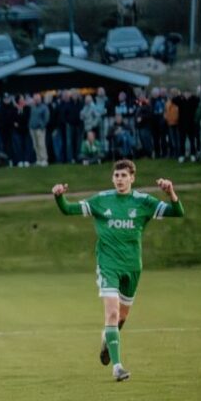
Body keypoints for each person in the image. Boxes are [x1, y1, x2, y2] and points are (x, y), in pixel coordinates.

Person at [51, 160, 184, 381]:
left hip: (132, 267)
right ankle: (118, 367)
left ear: (132, 178)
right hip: (108, 265)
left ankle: (107, 338)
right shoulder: (102, 200)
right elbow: (68, 209)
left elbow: (177, 212)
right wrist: (58, 196)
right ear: (113, 179)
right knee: (111, 313)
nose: (119, 179)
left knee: (121, 317)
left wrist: (171, 192)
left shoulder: (143, 202)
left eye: (124, 175)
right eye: (116, 176)